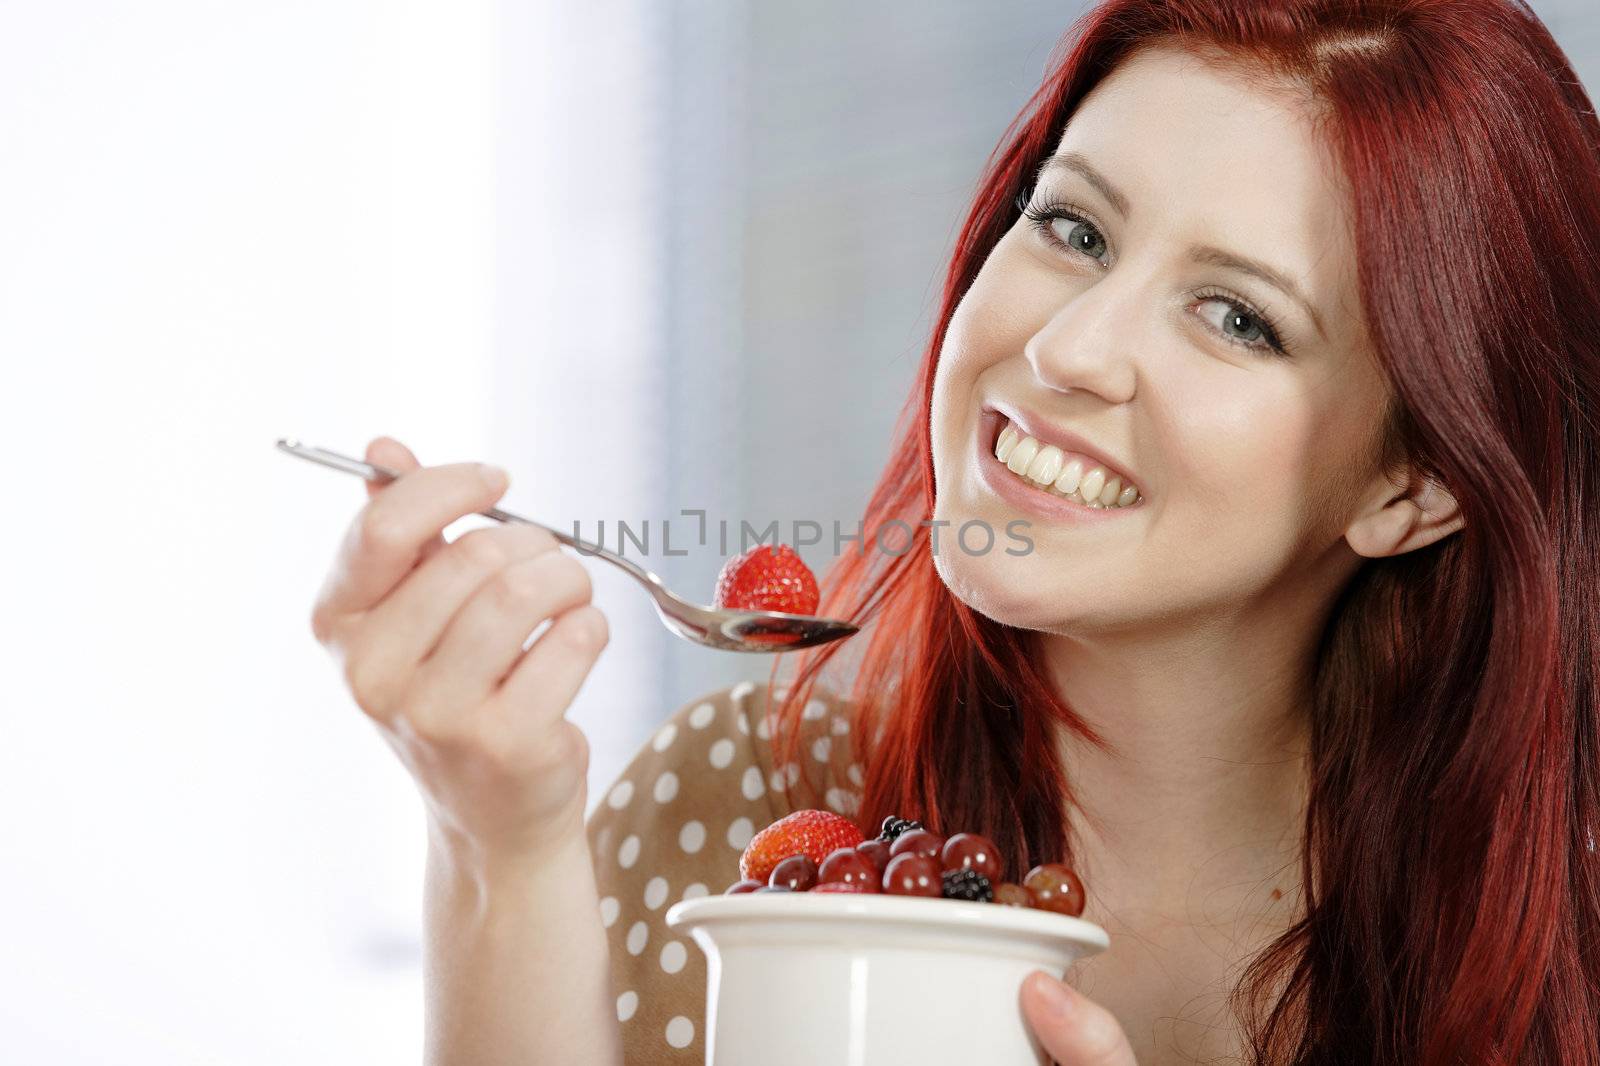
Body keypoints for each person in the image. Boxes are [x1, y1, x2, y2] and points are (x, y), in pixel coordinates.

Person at [307, 0, 1600, 1062]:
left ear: (1413, 484)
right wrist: (498, 844)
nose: (1066, 346)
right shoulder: (743, 808)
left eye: (1237, 316)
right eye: (1075, 228)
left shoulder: (1563, 936)